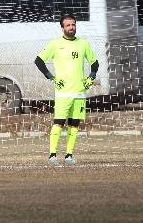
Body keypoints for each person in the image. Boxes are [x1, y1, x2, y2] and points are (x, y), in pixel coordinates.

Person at [35, 14, 99, 166]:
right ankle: (52, 155)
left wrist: (91, 78)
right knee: (58, 123)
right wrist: (52, 77)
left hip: (79, 92)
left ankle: (69, 155)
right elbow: (38, 61)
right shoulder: (55, 44)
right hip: (63, 93)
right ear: (62, 28)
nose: (72, 27)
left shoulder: (83, 44)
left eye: (73, 25)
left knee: (74, 124)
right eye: (68, 25)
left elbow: (95, 64)